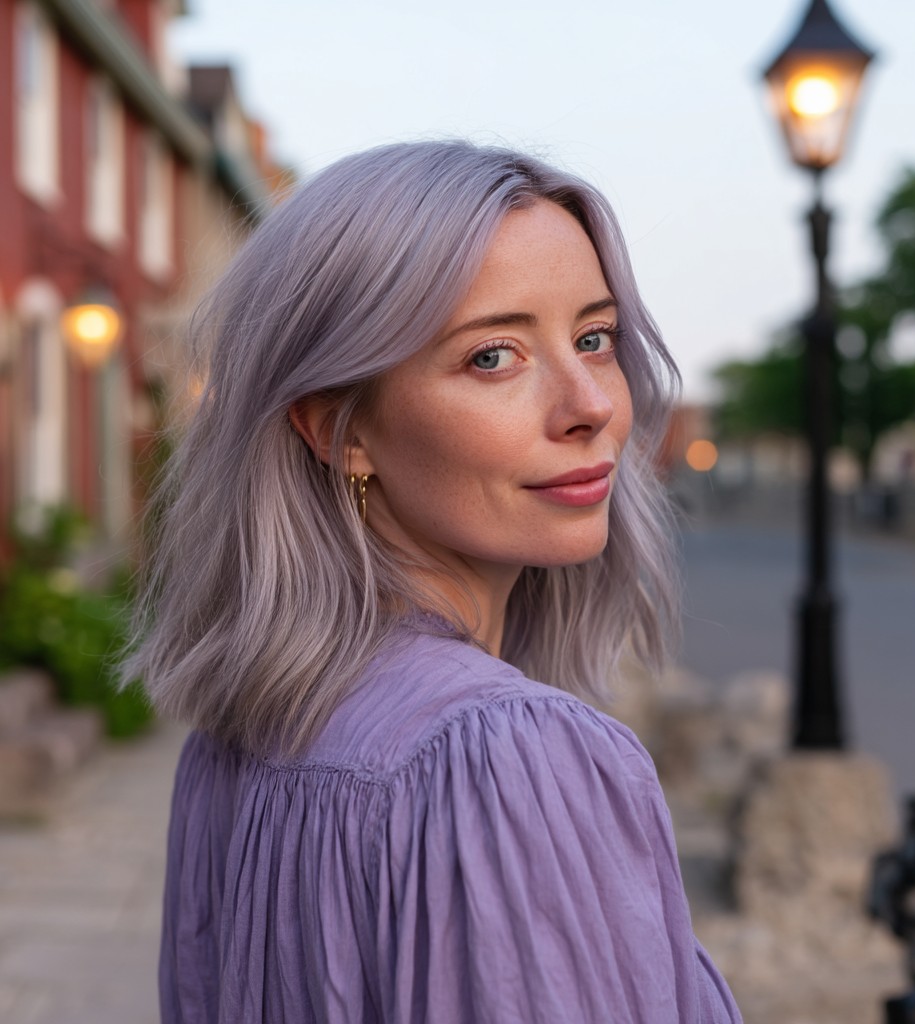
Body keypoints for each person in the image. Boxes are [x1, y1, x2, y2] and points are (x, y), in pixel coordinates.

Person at [127, 140, 742, 1023]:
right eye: (494, 356)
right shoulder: (509, 753)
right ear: (340, 430)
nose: (592, 405)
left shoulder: (235, 742)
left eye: (595, 338)